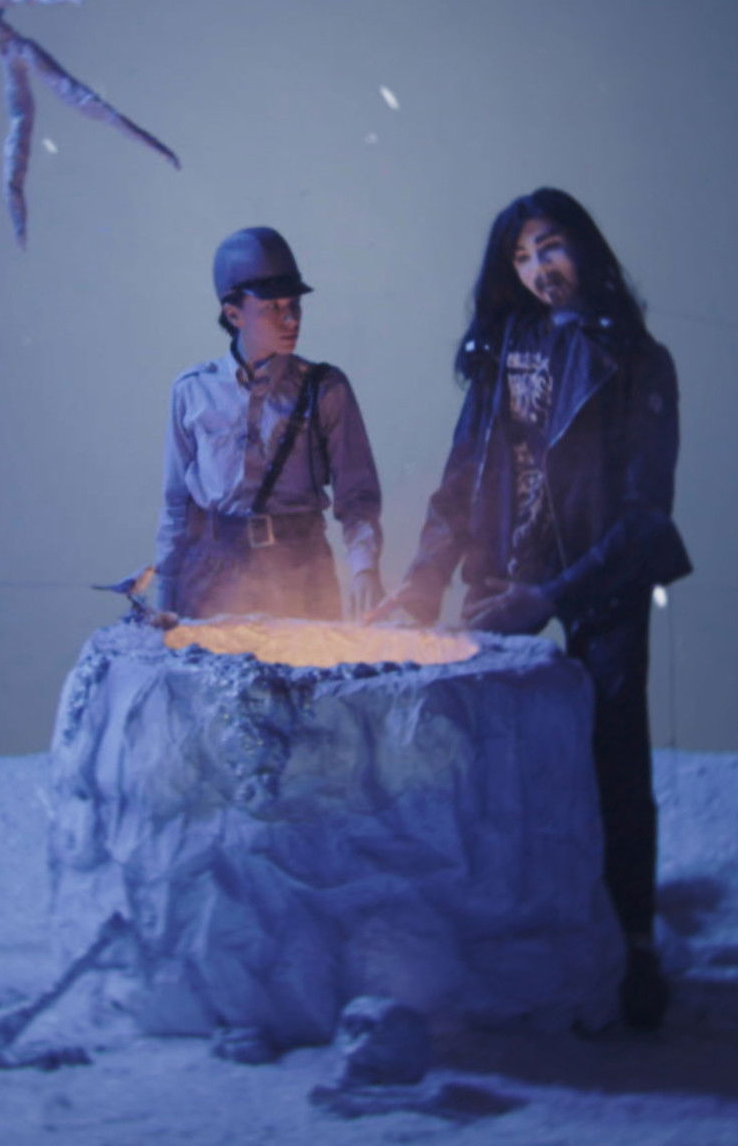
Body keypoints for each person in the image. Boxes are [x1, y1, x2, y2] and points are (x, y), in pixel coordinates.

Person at [376, 187, 691, 1031]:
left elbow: (645, 515)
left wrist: (552, 595)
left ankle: (633, 947)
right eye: (520, 257)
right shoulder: (501, 353)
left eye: (549, 246)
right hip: (504, 565)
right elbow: (459, 482)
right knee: (484, 752)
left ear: (584, 247)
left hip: (601, 578)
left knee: (613, 757)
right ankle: (501, 946)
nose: (537, 268)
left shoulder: (638, 360)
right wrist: (422, 584)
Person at [153, 227, 384, 621]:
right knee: (206, 659)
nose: (290, 319)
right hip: (213, 570)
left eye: (294, 304)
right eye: (272, 308)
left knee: (307, 661)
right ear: (234, 314)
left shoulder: (325, 388)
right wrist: (165, 589)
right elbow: (177, 505)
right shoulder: (193, 391)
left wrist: (364, 568)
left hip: (300, 566)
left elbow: (357, 495)